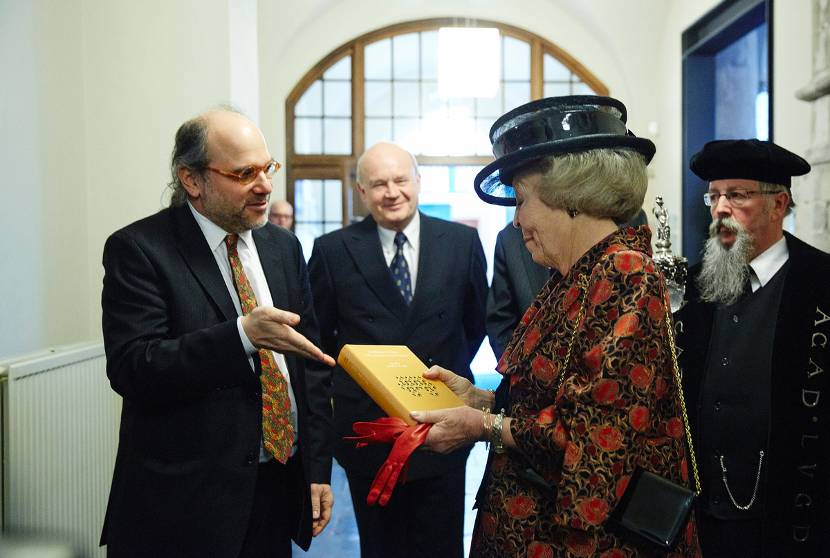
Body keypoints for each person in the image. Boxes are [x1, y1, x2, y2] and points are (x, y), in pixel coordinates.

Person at [411, 96, 701, 557]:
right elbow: (554, 399)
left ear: (571, 198)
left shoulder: (624, 273)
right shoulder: (574, 276)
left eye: (523, 200)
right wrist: (480, 397)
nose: (517, 219)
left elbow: (591, 439)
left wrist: (482, 425)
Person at [100, 109, 336, 558]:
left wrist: (316, 470)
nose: (265, 185)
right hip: (184, 507)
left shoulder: (283, 247)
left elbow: (310, 368)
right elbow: (134, 367)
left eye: (267, 168)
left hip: (275, 488)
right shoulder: (140, 249)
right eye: (244, 173)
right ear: (192, 179)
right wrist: (242, 335)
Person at [307, 141, 487, 558]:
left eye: (401, 180)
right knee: (381, 547)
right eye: (378, 183)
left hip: (442, 425)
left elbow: (475, 322)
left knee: (441, 545)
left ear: (418, 182)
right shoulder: (333, 251)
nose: (392, 192)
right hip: (368, 429)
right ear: (361, 191)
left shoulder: (462, 242)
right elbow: (321, 342)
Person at [675, 139, 830, 557]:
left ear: (779, 204)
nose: (721, 208)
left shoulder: (821, 282)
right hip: (703, 516)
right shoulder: (692, 285)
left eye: (737, 195)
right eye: (714, 196)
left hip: (794, 515)